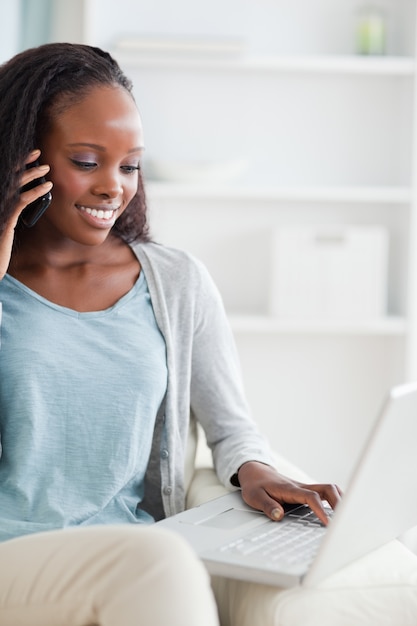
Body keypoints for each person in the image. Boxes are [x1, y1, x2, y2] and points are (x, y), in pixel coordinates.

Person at [0, 42, 341, 626]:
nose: (114, 187)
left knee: (158, 555)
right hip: (18, 557)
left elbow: (231, 428)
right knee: (158, 559)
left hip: (129, 554)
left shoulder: (175, 281)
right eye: (86, 161)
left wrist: (255, 469)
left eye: (129, 165)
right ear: (20, 160)